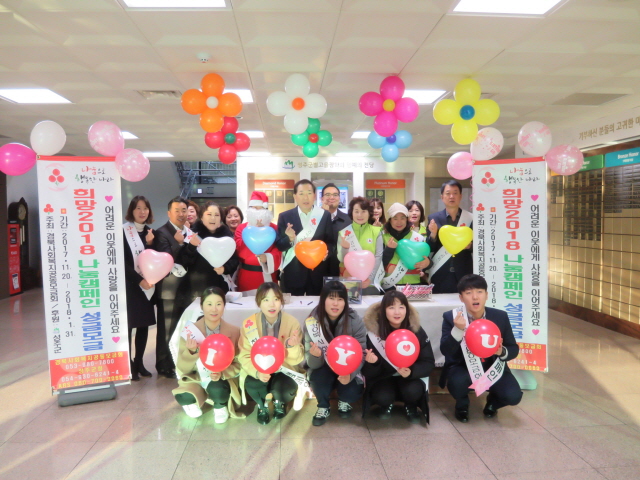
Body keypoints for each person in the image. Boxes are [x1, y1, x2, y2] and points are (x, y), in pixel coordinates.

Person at [439, 274, 522, 423]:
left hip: (493, 367)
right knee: (457, 383)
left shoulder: (500, 317)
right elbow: (445, 350)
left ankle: (493, 403)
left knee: (513, 396)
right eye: (468, 293)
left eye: (479, 292)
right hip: (462, 367)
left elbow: (513, 348)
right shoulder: (451, 317)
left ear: (486, 295)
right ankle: (462, 405)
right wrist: (457, 330)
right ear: (461, 298)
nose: (475, 297)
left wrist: (501, 351)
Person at [362, 290, 435, 423]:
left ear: (407, 310)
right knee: (382, 396)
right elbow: (367, 372)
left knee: (413, 391)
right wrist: (373, 363)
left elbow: (428, 362)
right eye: (391, 307)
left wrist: (412, 371)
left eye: (401, 307)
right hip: (383, 378)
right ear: (383, 310)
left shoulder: (416, 331)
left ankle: (410, 405)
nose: (397, 312)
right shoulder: (373, 333)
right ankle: (386, 404)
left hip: (409, 378)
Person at [172, 287, 243, 423]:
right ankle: (192, 402)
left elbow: (239, 364)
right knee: (182, 396)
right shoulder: (190, 332)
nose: (214, 309)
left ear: (224, 306)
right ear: (201, 306)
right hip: (197, 377)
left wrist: (223, 373)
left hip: (221, 379)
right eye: (209, 304)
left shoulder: (234, 331)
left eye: (218, 304)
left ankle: (220, 405)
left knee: (218, 389)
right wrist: (191, 352)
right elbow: (181, 368)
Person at [238, 282, 305, 425]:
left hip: (284, 368)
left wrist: (291, 346)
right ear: (259, 302)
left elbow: (298, 359)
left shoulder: (292, 323)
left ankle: (279, 402)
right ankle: (262, 406)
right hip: (259, 368)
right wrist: (257, 372)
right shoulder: (249, 324)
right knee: (253, 384)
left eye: (276, 299)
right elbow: (244, 355)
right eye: (266, 300)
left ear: (281, 301)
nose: (272, 304)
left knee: (285, 388)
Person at [304, 281, 366, 426]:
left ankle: (344, 401)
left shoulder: (355, 320)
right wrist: (315, 356)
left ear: (345, 302)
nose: (335, 303)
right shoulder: (312, 322)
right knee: (318, 379)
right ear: (323, 299)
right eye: (331, 298)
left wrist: (351, 374)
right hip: (323, 366)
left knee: (352, 392)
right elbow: (311, 363)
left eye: (340, 299)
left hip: (348, 366)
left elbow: (362, 353)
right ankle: (323, 406)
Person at [153, 196, 199, 378]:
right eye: (177, 210)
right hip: (169, 291)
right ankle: (163, 365)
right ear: (169, 213)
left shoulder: (190, 232)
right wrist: (180, 244)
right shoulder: (161, 233)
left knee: (181, 328)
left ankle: (176, 361)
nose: (181, 214)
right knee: (167, 330)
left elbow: (190, 259)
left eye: (184, 210)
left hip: (186, 290)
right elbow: (168, 260)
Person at [275, 179, 334, 295]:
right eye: (301, 194)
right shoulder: (285, 216)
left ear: (314, 196)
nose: (305, 198)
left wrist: (327, 252)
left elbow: (331, 242)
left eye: (309, 193)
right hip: (293, 274)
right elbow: (280, 246)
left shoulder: (324, 215)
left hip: (317, 273)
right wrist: (290, 239)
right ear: (295, 196)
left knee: (317, 305)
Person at [122, 196, 156, 381]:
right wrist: (139, 280)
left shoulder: (151, 233)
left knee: (143, 325)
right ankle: (128, 365)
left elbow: (155, 258)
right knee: (129, 326)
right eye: (138, 208)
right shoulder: (123, 232)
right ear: (132, 211)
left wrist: (150, 244)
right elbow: (122, 262)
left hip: (147, 287)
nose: (142, 212)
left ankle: (139, 362)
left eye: (145, 208)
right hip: (130, 286)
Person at [183, 201, 239, 301]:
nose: (213, 218)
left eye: (217, 215)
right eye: (209, 214)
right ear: (201, 217)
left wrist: (225, 268)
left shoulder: (227, 237)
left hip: (220, 286)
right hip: (197, 288)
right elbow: (184, 261)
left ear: (221, 218)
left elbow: (234, 260)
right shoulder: (193, 235)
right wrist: (191, 246)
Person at [427, 180, 473, 294]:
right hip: (441, 272)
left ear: (460, 196)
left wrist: (470, 246)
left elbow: (481, 245)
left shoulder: (471, 218)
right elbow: (430, 248)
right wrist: (433, 234)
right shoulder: (433, 218)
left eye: (455, 193)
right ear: (442, 197)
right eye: (448, 193)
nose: (451, 196)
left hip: (464, 272)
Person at [234, 191, 282, 294]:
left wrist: (268, 257)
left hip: (268, 275)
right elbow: (239, 251)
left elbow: (279, 250)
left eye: (261, 209)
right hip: (246, 276)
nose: (257, 212)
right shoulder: (241, 228)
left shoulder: (274, 228)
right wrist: (252, 233)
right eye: (254, 208)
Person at [337, 197, 384, 294]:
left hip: (371, 283)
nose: (360, 215)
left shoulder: (376, 231)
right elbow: (341, 259)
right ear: (351, 213)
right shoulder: (344, 233)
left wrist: (370, 279)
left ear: (369, 213)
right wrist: (345, 248)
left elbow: (378, 256)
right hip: (349, 282)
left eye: (363, 211)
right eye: (356, 211)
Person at [381, 203, 432, 290]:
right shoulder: (382, 236)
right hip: (390, 286)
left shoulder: (417, 237)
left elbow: (427, 260)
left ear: (407, 219)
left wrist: (428, 263)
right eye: (395, 218)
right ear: (390, 220)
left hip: (413, 285)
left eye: (402, 218)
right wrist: (389, 249)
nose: (399, 222)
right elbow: (379, 263)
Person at [321, 183, 352, 277]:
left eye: (335, 195)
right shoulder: (314, 219)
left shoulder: (348, 220)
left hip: (341, 269)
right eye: (328, 194)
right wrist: (323, 216)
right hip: (319, 268)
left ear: (339, 198)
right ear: (322, 199)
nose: (331, 197)